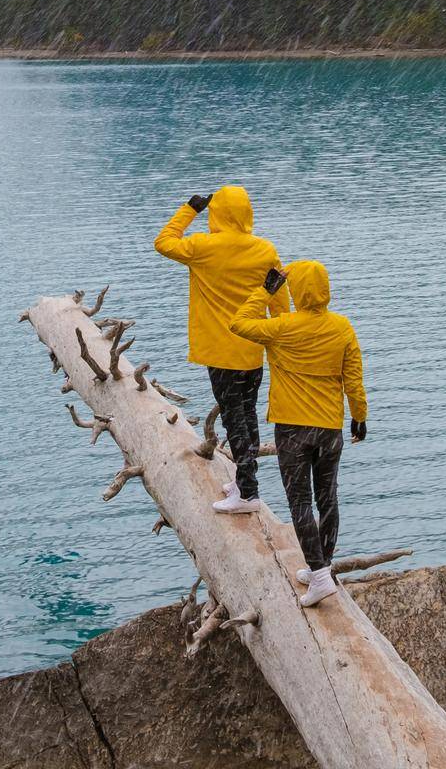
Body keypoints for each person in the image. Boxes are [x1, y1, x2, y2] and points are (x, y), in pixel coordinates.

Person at [229, 260, 367, 607]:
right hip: (330, 428)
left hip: (293, 428)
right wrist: (359, 417)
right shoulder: (342, 327)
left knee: (300, 502)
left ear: (297, 290)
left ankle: (319, 576)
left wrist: (266, 290)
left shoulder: (281, 327)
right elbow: (353, 378)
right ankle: (322, 565)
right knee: (327, 498)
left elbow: (238, 323)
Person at [155, 186, 289, 514]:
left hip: (220, 352)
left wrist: (190, 209)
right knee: (248, 415)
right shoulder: (265, 250)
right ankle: (245, 481)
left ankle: (248, 494)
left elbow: (164, 241)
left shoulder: (202, 247)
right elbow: (278, 299)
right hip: (252, 348)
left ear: (216, 213)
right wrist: (280, 338)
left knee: (234, 420)